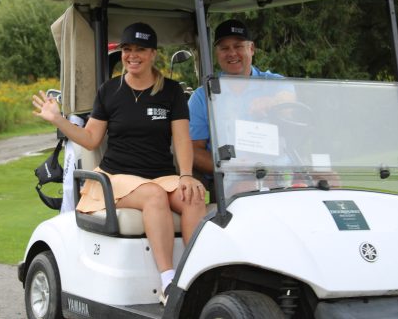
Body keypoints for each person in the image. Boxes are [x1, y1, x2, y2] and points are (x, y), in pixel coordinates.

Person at [33, 22, 207, 305]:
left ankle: (196, 275)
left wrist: (186, 175)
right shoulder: (109, 91)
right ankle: (169, 283)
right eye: (127, 49)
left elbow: (182, 139)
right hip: (115, 176)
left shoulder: (172, 92)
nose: (132, 55)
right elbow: (91, 139)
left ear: (153, 54)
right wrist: (58, 120)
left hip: (160, 174)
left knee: (194, 197)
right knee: (154, 196)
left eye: (140, 49)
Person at [188, 19, 293, 176]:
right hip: (231, 181)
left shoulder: (272, 83)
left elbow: (289, 99)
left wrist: (272, 102)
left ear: (251, 48)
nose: (232, 53)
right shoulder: (202, 96)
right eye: (224, 48)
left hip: (276, 174)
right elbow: (194, 150)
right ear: (217, 53)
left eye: (238, 46)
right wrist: (232, 169)